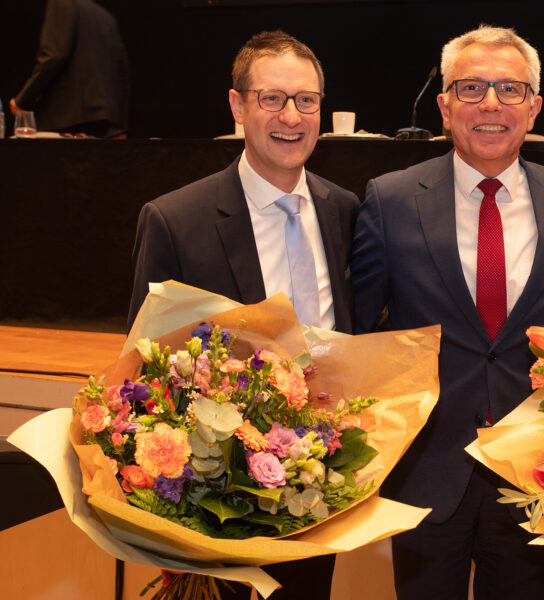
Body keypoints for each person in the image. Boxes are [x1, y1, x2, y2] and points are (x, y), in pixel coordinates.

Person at [351, 25, 544, 600]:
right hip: (424, 470)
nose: (491, 104)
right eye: (471, 88)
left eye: (510, 89)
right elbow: (362, 334)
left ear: (534, 108)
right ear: (443, 106)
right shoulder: (388, 200)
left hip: (533, 471)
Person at [129, 30, 359, 599]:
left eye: (306, 100)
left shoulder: (346, 212)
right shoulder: (174, 220)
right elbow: (142, 366)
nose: (292, 116)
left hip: (319, 487)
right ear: (237, 106)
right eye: (272, 98)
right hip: (215, 498)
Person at [12, 0, 129, 138]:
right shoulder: (106, 17)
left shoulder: (62, 2)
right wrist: (120, 126)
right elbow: (123, 73)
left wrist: (23, 102)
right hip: (105, 122)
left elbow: (55, 56)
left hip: (67, 120)